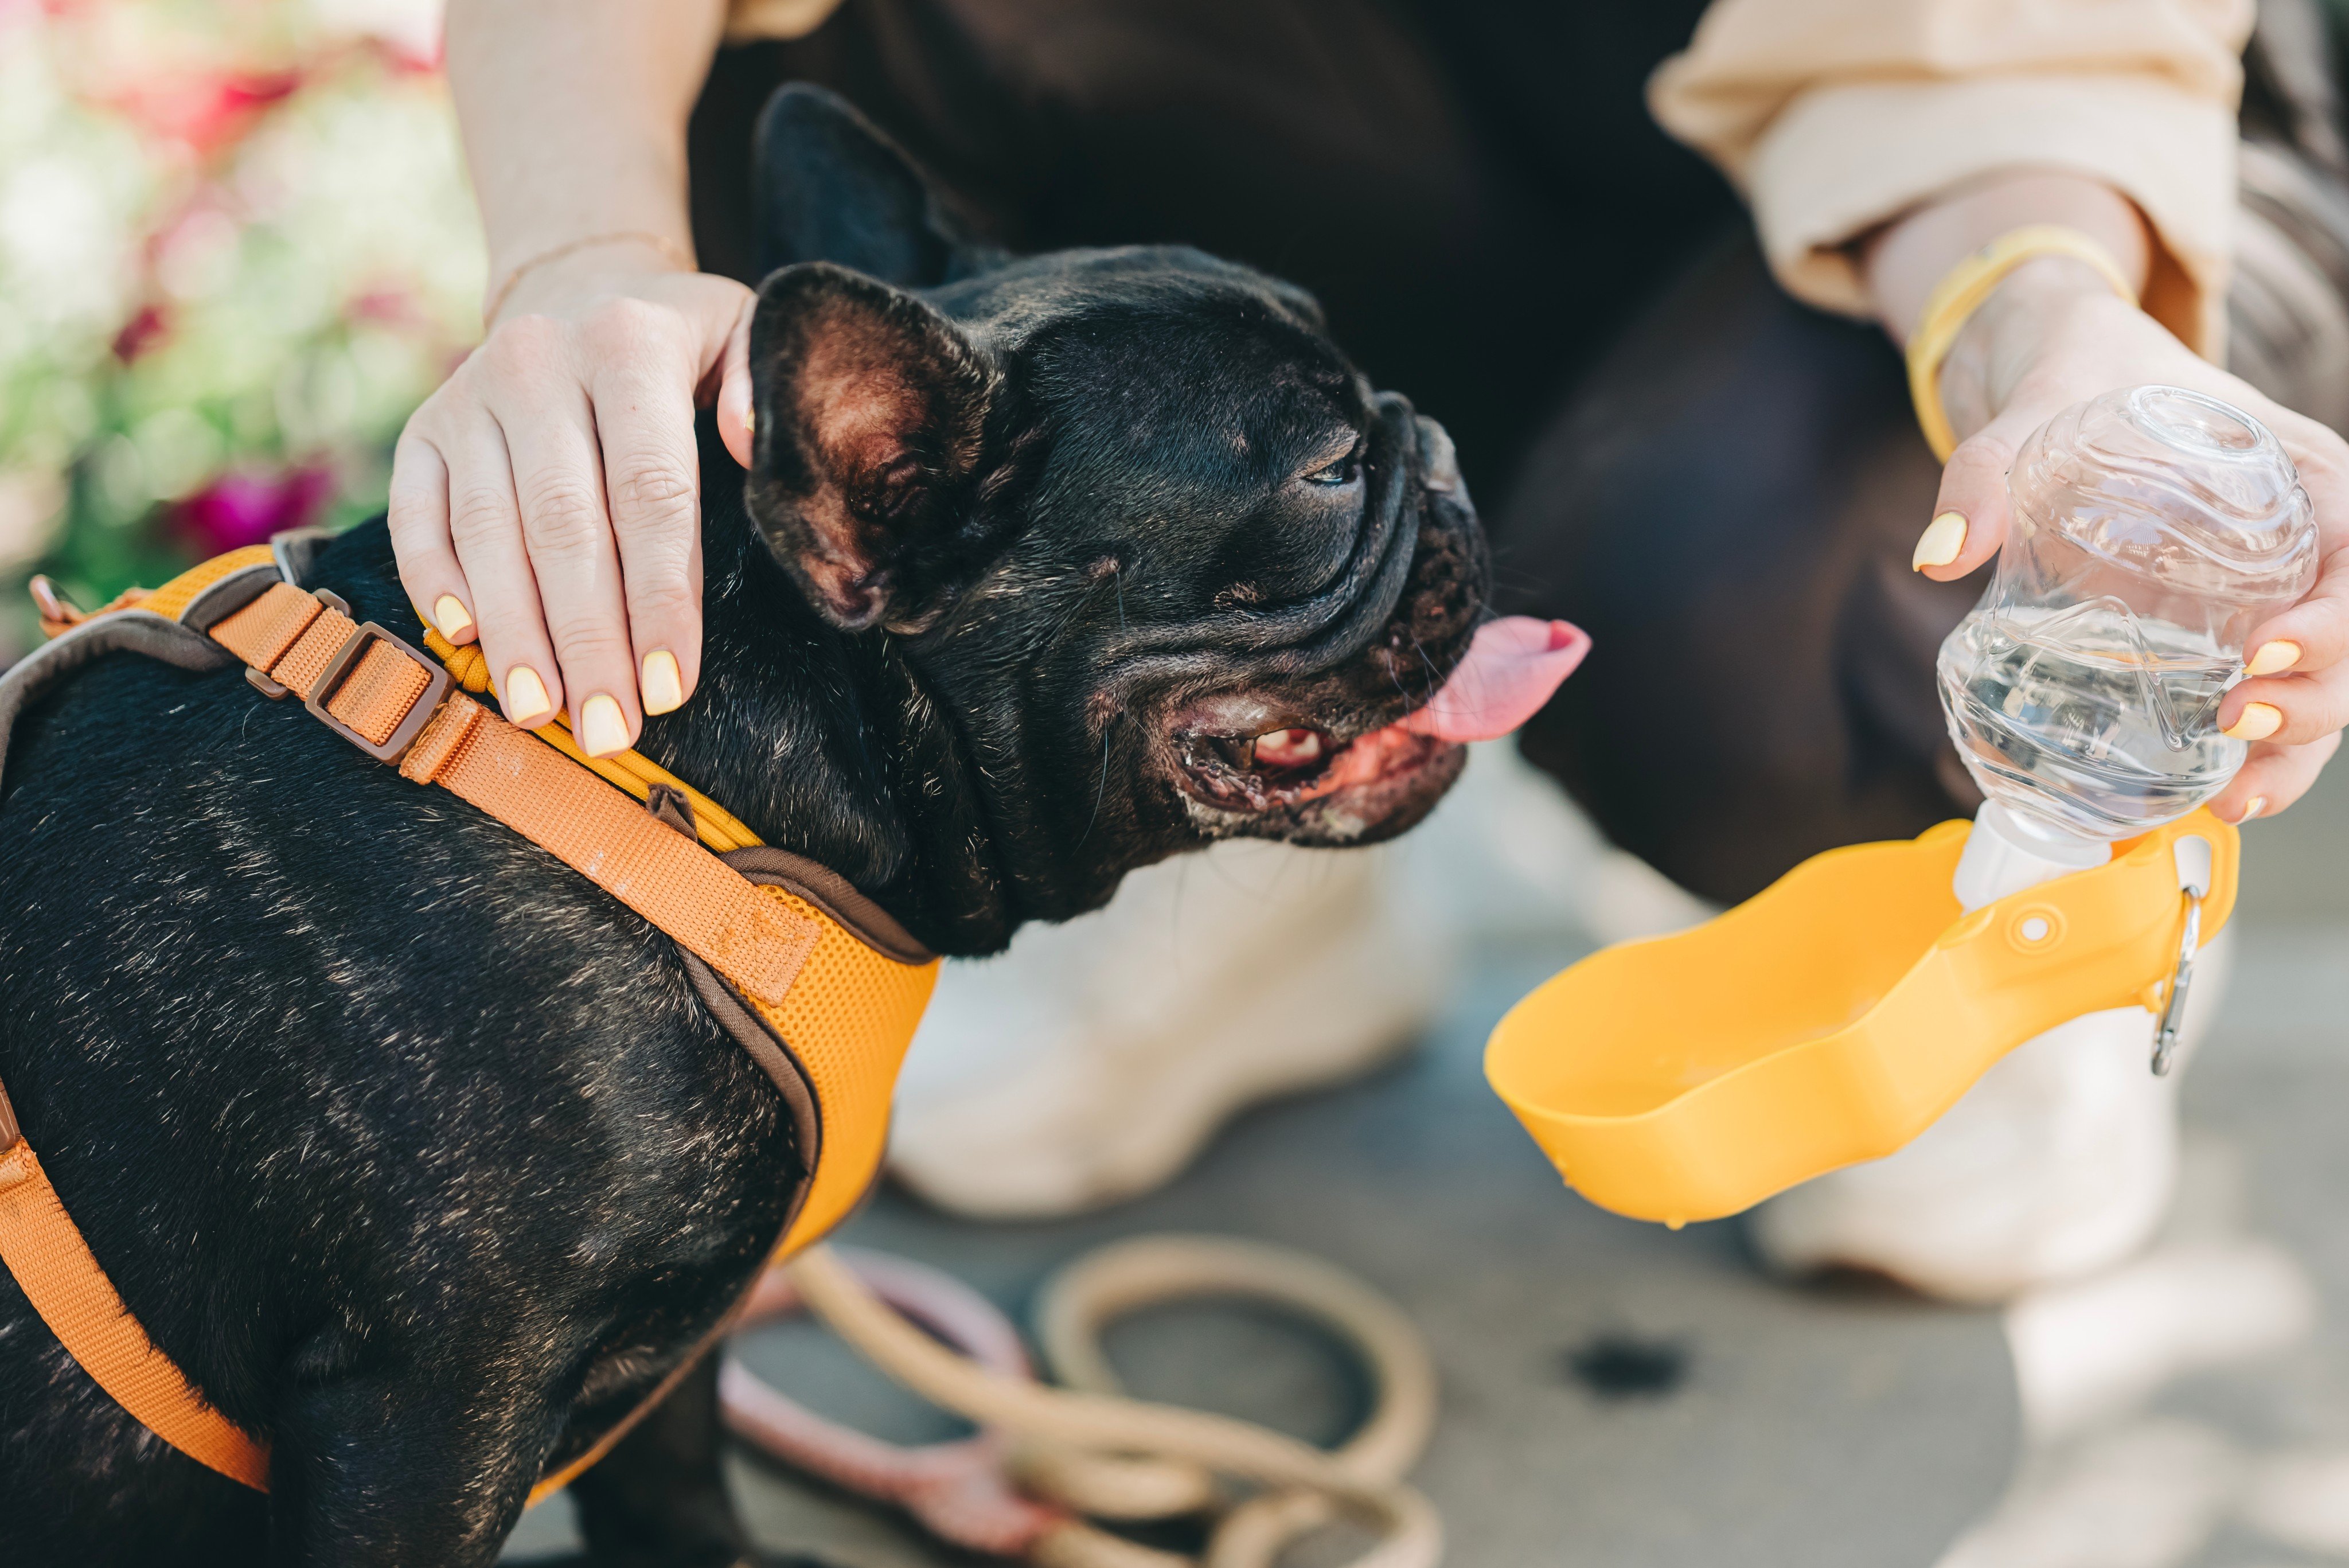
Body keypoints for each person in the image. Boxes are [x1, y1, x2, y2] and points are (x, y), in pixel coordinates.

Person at [392, 0, 2349, 1295]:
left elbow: (1980, 47)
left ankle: (1981, 922)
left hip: (1954, 168)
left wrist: (2047, 328)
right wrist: (586, 265)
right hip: (1379, 152)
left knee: (1766, 622)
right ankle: (1213, 826)